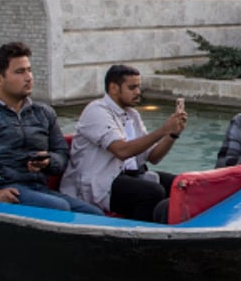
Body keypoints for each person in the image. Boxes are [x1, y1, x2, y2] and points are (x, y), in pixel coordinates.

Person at [0, 42, 103, 215]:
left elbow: (61, 153)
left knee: (96, 215)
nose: (29, 77)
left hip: (38, 189)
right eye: (20, 72)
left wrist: (48, 162)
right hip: (4, 192)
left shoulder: (44, 113)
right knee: (59, 208)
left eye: (29, 70)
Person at [60, 64, 188, 222]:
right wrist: (163, 130)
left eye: (138, 87)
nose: (138, 92)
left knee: (179, 185)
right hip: (98, 182)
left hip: (129, 175)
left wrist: (173, 134)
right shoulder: (96, 111)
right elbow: (122, 151)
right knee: (151, 192)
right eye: (132, 88)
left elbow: (153, 157)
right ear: (114, 88)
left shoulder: (132, 115)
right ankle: (138, 239)